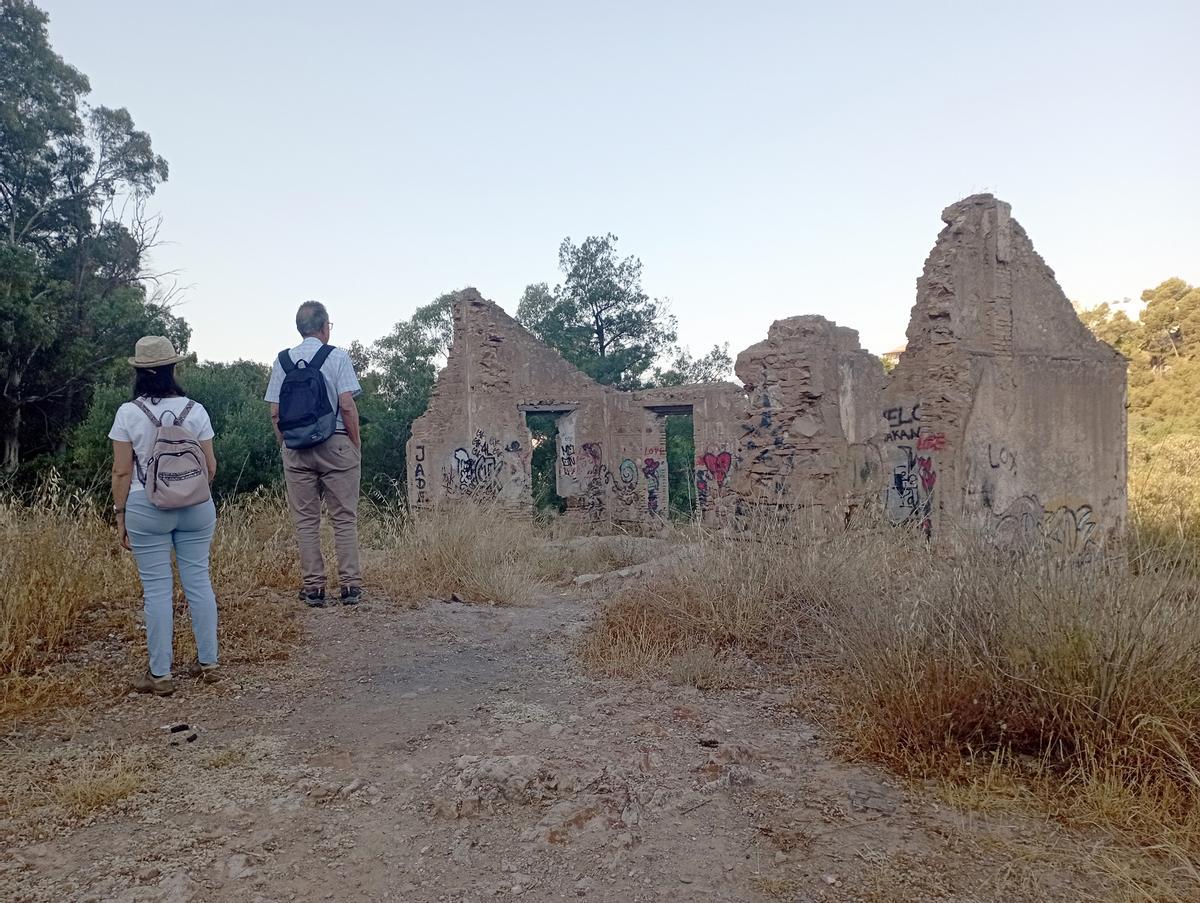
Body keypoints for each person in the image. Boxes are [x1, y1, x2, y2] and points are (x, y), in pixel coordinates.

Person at [110, 336, 219, 696]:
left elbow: (122, 471)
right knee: (199, 582)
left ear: (140, 372)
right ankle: (209, 663)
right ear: (174, 368)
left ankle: (160, 674)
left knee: (157, 591)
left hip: (147, 507)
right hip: (196, 507)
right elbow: (211, 467)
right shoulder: (197, 411)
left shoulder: (129, 414)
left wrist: (120, 514)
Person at [265, 300, 363, 607]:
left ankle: (314, 589)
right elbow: (346, 405)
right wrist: (354, 444)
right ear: (324, 327)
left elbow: (275, 412)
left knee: (306, 521)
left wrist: (286, 444)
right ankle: (349, 587)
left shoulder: (282, 361)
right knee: (344, 518)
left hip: (295, 449)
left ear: (299, 328)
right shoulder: (337, 357)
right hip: (335, 443)